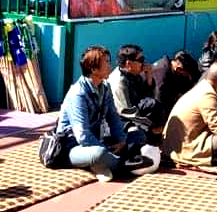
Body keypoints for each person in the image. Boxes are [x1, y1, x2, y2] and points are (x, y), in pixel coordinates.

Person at [57, 46, 151, 182]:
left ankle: (106, 164)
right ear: (93, 69)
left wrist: (121, 141)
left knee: (138, 134)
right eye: (106, 62)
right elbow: (82, 136)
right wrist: (106, 150)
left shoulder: (105, 87)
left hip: (98, 139)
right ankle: (121, 164)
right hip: (72, 147)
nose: (110, 66)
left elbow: (113, 118)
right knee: (99, 153)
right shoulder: (77, 94)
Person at [107, 44, 165, 146]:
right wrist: (151, 127)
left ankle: (155, 144)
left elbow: (148, 98)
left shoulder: (134, 75)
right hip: (119, 120)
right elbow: (125, 112)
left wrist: (149, 78)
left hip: (134, 114)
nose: (144, 63)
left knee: (155, 107)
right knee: (151, 110)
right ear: (129, 63)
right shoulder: (119, 82)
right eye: (141, 60)